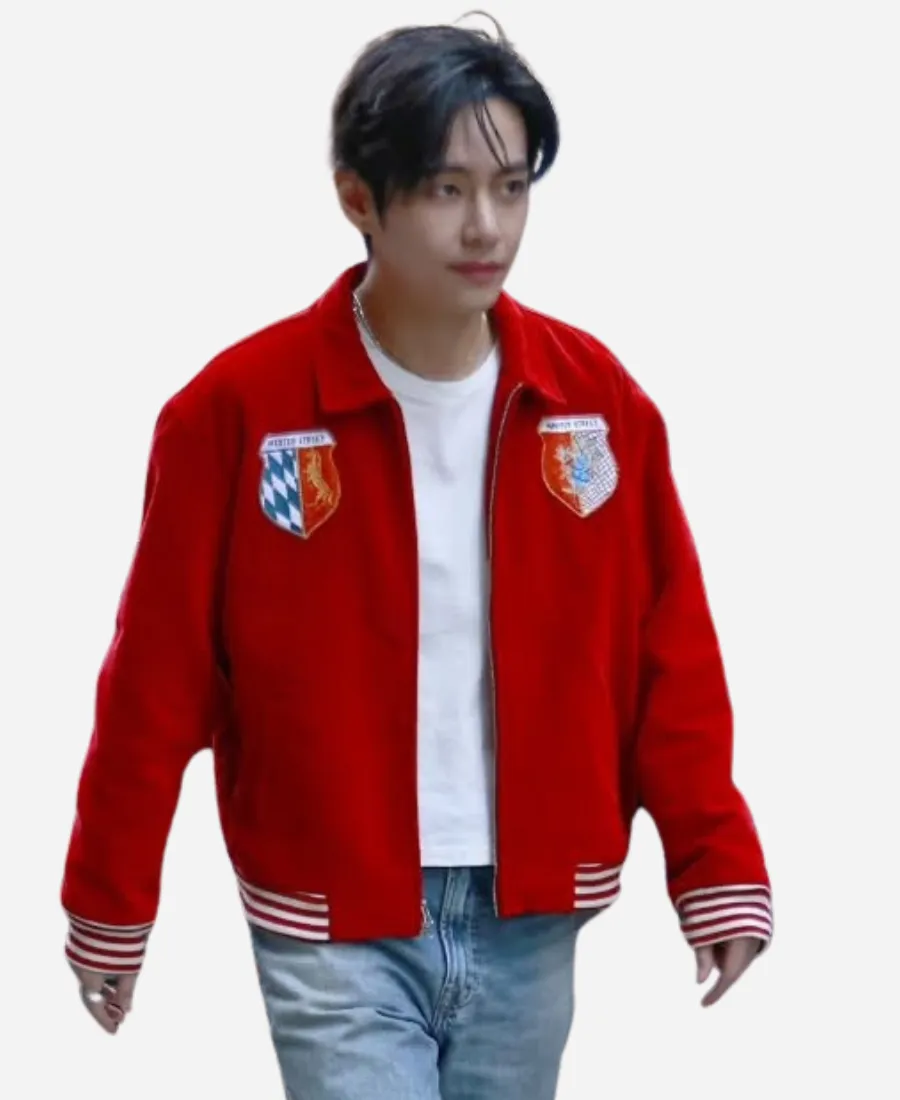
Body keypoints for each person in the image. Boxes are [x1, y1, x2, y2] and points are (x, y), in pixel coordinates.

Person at [61, 13, 773, 1099]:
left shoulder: (597, 407)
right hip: (331, 915)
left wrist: (713, 859)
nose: (486, 226)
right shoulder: (235, 413)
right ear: (359, 198)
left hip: (533, 914)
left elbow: (668, 651)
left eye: (511, 188)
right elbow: (155, 677)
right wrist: (111, 898)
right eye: (446, 189)